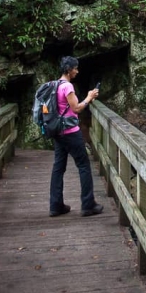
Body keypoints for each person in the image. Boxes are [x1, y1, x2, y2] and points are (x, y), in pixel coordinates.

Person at [49, 56, 104, 217]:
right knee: (84, 166)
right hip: (70, 133)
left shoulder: (55, 84)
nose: (77, 71)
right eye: (75, 68)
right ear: (68, 70)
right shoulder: (67, 87)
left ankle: (55, 205)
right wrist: (89, 97)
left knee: (58, 168)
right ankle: (88, 205)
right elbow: (77, 108)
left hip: (58, 132)